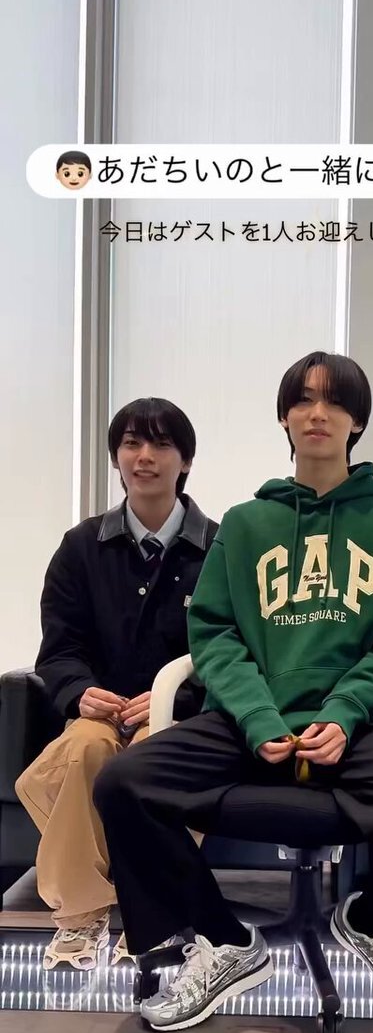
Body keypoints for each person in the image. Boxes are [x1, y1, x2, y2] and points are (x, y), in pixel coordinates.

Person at [93, 350, 373, 1032]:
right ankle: (222, 940)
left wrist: (346, 711)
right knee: (123, 783)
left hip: (356, 724)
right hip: (249, 720)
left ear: (357, 422)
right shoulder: (245, 524)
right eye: (302, 400)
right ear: (284, 418)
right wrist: (257, 715)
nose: (317, 413)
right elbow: (214, 632)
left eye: (334, 401)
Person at [15, 399, 217, 970]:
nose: (144, 456)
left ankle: (146, 908)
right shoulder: (80, 547)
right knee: (85, 749)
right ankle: (81, 913)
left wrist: (176, 699)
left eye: (161, 444)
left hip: (179, 719)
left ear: (186, 461)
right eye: (131, 443)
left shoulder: (221, 549)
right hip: (98, 715)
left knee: (156, 757)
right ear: (116, 457)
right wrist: (80, 691)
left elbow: (232, 650)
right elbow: (59, 648)